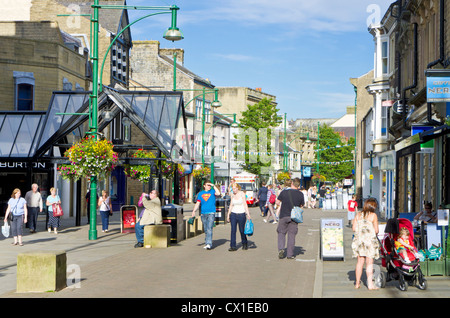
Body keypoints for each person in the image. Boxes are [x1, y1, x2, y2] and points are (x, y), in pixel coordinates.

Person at [351, 198, 380, 290]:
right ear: (373, 207)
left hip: (359, 241)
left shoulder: (358, 215)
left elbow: (354, 228)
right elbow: (376, 230)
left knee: (359, 262)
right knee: (369, 263)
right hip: (370, 241)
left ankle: (357, 283)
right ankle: (370, 285)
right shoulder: (373, 215)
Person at [276, 178, 304, 259]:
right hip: (294, 217)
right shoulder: (300, 194)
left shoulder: (284, 192)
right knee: (291, 235)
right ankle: (290, 254)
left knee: (281, 233)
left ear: (292, 183)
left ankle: (281, 249)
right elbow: (301, 206)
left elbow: (277, 202)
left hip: (284, 215)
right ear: (298, 185)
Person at [191, 182, 221, 250]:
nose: (209, 186)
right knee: (206, 228)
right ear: (204, 186)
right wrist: (194, 211)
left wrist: (214, 186)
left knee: (209, 228)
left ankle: (208, 243)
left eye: (210, 185)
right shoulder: (201, 193)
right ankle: (207, 241)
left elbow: (218, 193)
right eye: (208, 185)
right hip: (203, 213)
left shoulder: (213, 191)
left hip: (211, 212)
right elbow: (198, 203)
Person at [227, 183, 251, 251]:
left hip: (241, 214)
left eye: (234, 188)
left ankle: (244, 243)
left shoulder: (242, 194)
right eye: (232, 189)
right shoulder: (232, 195)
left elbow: (245, 204)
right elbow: (231, 205)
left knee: (241, 230)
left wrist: (248, 214)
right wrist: (228, 215)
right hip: (234, 214)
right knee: (233, 230)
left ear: (237, 188)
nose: (233, 190)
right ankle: (233, 246)